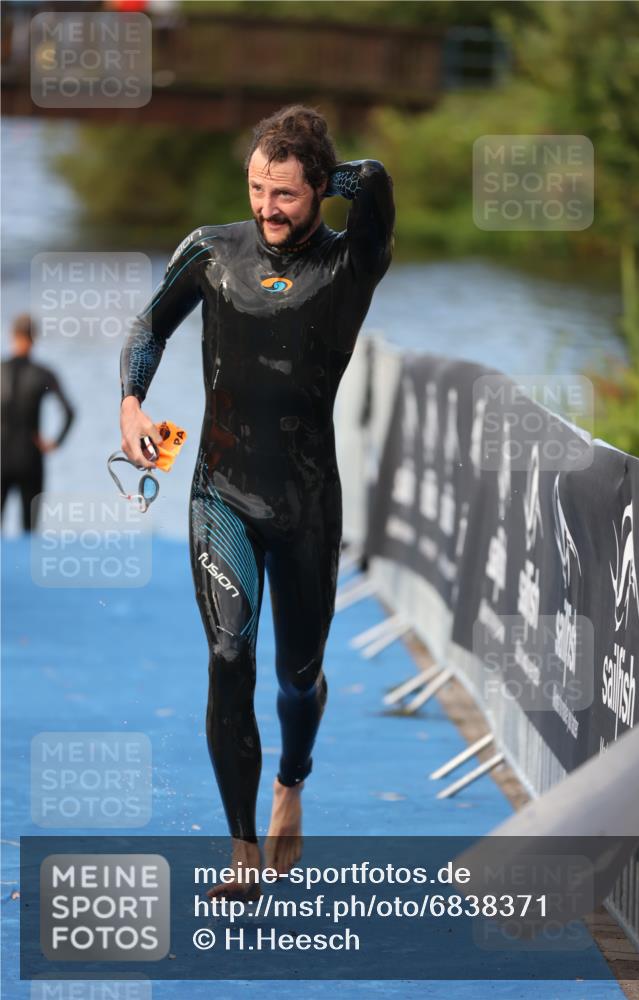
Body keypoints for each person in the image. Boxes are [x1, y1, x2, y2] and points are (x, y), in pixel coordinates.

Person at [119, 104, 394, 898]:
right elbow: (148, 325)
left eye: (285, 194)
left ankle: (291, 783)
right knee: (227, 655)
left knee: (297, 679)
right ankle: (241, 852)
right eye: (254, 189)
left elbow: (373, 183)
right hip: (223, 493)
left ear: (318, 190)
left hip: (307, 504)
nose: (266, 210)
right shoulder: (210, 250)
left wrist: (317, 160)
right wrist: (132, 403)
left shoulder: (352, 265)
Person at [1, 313, 75, 533]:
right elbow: (70, 412)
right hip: (30, 457)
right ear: (34, 338)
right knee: (29, 532)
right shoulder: (43, 374)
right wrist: (55, 442)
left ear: (13, 335)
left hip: (1, 455)